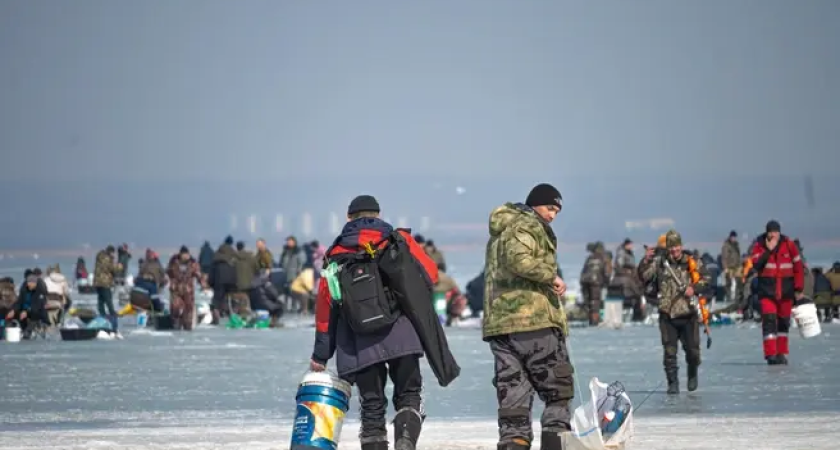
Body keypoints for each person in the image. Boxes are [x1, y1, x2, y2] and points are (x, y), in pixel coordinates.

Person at [309, 195, 453, 450]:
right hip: (403, 332)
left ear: (348, 217)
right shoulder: (398, 240)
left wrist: (321, 354)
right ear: (378, 214)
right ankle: (406, 439)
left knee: (372, 406)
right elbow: (430, 274)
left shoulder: (336, 253)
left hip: (358, 340)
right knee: (409, 396)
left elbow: (325, 307)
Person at [482, 183, 572, 450]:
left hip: (501, 325)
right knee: (558, 392)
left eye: (556, 211)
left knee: (513, 400)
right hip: (533, 322)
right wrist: (550, 276)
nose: (552, 215)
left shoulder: (502, 228)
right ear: (535, 204)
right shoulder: (526, 225)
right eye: (549, 208)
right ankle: (554, 442)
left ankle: (514, 443)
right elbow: (518, 259)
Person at [639, 230, 707, 394]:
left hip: (688, 314)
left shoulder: (691, 262)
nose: (674, 250)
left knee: (693, 352)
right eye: (671, 247)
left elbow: (706, 279)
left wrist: (694, 288)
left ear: (681, 246)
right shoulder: (660, 263)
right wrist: (646, 260)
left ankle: (692, 372)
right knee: (669, 352)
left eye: (676, 246)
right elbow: (644, 276)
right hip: (667, 314)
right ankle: (673, 383)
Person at [749, 220, 804, 365]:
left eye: (776, 232)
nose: (773, 235)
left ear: (779, 232)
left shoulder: (789, 245)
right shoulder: (759, 246)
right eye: (771, 232)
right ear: (767, 233)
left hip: (786, 292)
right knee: (769, 322)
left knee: (784, 324)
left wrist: (798, 288)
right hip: (767, 292)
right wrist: (768, 250)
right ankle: (770, 354)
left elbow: (798, 267)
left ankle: (781, 353)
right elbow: (756, 265)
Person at [167, 246, 205, 330]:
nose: (186, 256)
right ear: (180, 254)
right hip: (176, 290)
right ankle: (176, 324)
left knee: (188, 310)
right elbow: (168, 272)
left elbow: (199, 275)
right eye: (184, 254)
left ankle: (187, 326)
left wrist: (202, 283)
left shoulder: (193, 263)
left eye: (187, 254)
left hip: (188, 291)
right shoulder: (173, 261)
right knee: (175, 308)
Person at [93, 245, 122, 336]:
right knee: (108, 300)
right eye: (113, 253)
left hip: (97, 282)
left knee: (101, 300)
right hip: (104, 282)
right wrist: (120, 266)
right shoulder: (107, 258)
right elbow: (112, 268)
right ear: (111, 252)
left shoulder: (100, 256)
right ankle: (112, 319)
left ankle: (102, 316)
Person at [580, 241, 609, 326]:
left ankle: (590, 318)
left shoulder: (590, 258)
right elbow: (606, 272)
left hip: (585, 281)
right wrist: (606, 282)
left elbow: (584, 270)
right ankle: (594, 321)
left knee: (588, 302)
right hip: (595, 282)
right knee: (595, 301)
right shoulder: (604, 258)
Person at [721, 230, 742, 302]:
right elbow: (724, 257)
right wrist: (725, 267)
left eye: (735, 237)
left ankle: (737, 298)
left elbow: (738, 256)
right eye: (732, 237)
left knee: (739, 282)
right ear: (730, 237)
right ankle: (728, 298)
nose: (733, 238)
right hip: (729, 267)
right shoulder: (726, 245)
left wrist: (740, 265)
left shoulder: (737, 245)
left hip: (737, 266)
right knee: (728, 283)